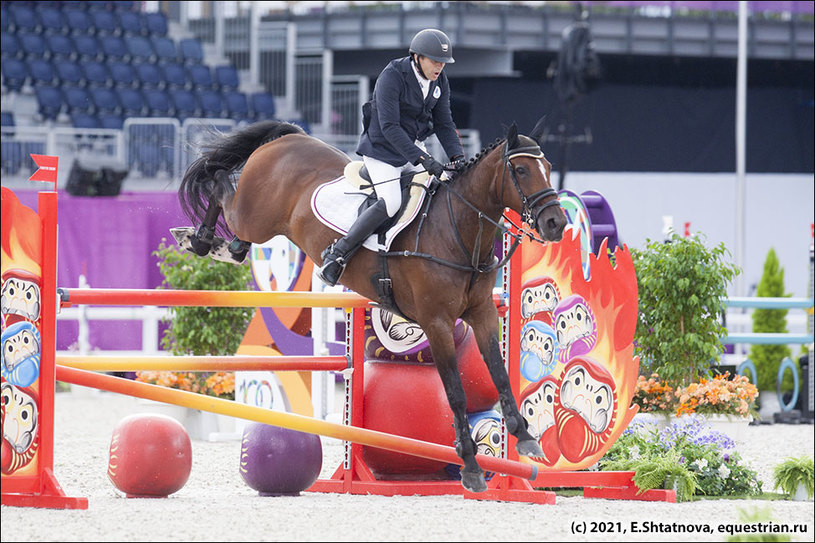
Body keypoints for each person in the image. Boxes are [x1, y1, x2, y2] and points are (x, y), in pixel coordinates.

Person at [317, 28, 465, 287]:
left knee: (438, 192)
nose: (439, 66)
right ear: (417, 57)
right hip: (382, 150)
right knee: (392, 202)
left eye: (442, 62)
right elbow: (389, 127)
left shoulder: (440, 81)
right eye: (435, 61)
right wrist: (422, 159)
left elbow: (444, 122)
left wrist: (457, 156)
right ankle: (337, 254)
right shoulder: (393, 76)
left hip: (412, 145)